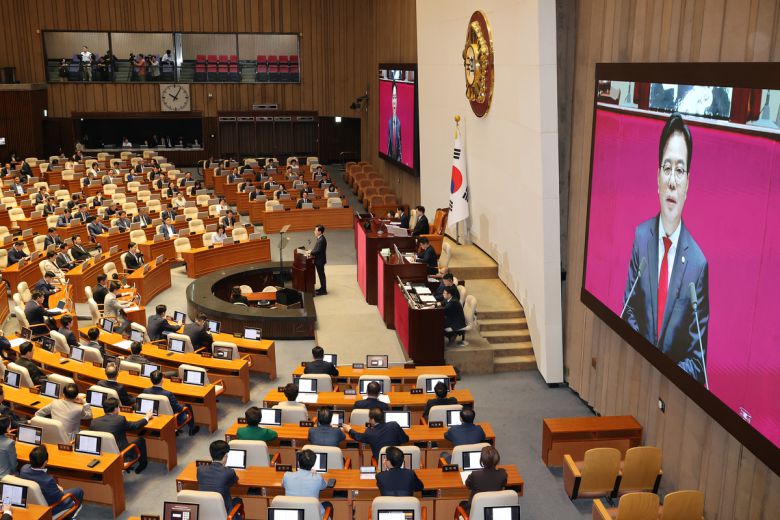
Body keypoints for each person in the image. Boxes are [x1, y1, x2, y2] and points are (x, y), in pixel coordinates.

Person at [622, 112, 709, 385]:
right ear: (657, 178)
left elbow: (697, 360)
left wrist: (663, 373)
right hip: (634, 374)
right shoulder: (641, 238)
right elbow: (629, 312)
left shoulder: (697, 265)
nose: (672, 180)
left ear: (687, 185)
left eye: (680, 170)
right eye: (667, 168)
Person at [90, 396, 151, 473]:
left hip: (105, 455)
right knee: (141, 440)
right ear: (116, 409)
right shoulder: (120, 419)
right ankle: (143, 465)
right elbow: (135, 426)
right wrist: (147, 417)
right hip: (122, 455)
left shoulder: (94, 422)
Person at [20, 445, 84, 517]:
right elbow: (59, 498)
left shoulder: (23, 469)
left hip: (32, 504)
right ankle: (68, 516)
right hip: (50, 508)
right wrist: (59, 489)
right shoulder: (48, 481)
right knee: (79, 491)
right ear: (45, 462)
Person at [144, 370, 199, 435]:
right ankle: (192, 429)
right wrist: (181, 405)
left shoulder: (145, 391)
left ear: (151, 380)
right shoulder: (168, 394)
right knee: (187, 405)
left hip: (154, 417)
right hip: (172, 420)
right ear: (162, 379)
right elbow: (179, 409)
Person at [342, 408, 409, 460]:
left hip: (382, 463)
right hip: (398, 459)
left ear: (373, 420)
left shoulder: (369, 432)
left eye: (370, 419)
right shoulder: (394, 424)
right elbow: (405, 439)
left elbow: (358, 436)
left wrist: (349, 430)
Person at [197, 440, 243, 517]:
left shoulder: (200, 470)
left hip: (205, 511)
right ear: (225, 456)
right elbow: (235, 482)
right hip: (224, 513)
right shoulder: (229, 472)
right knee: (238, 500)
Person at [461, 446, 507, 513]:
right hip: (494, 509)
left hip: (475, 510)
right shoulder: (503, 474)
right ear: (497, 460)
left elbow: (468, 485)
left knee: (462, 503)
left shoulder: (475, 475)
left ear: (481, 460)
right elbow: (503, 485)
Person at [282, 449, 328, 516]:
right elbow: (324, 486)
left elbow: (283, 485)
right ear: (313, 464)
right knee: (328, 505)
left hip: (292, 515)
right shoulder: (318, 478)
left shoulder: (287, 475)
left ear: (298, 462)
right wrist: (315, 474)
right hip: (312, 515)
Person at [309, 225, 327, 295]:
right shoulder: (320, 238)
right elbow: (316, 249)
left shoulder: (321, 240)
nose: (314, 232)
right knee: (321, 275)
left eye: (315, 230)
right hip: (319, 260)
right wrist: (312, 250)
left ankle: (323, 290)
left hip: (320, 261)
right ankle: (322, 288)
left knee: (321, 275)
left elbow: (318, 251)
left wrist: (310, 252)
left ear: (319, 232)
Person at [387, 81, 402, 161]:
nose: (394, 101)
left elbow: (400, 148)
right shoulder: (389, 122)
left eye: (395, 97)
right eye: (393, 97)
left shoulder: (399, 123)